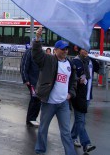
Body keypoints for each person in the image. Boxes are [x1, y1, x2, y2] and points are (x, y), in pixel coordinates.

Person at [32, 27, 77, 155]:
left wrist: (71, 93)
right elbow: (36, 54)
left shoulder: (70, 64)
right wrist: (37, 39)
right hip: (49, 102)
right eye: (62, 49)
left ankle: (70, 153)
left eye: (66, 49)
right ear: (55, 50)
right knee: (43, 129)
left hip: (63, 104)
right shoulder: (48, 60)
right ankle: (40, 151)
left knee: (66, 132)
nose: (65, 51)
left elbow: (73, 81)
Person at [71, 47, 99, 153]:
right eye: (83, 49)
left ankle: (72, 136)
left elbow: (100, 70)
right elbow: (71, 78)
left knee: (79, 120)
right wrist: (78, 81)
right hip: (78, 96)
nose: (85, 51)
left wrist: (99, 59)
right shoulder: (75, 62)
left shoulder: (90, 61)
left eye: (87, 49)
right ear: (79, 50)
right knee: (81, 120)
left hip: (88, 96)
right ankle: (86, 144)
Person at [20, 46, 40, 127]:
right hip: (32, 80)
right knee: (35, 99)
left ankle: (33, 118)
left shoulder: (40, 52)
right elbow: (24, 66)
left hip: (39, 80)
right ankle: (30, 119)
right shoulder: (29, 52)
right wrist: (26, 79)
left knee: (38, 99)